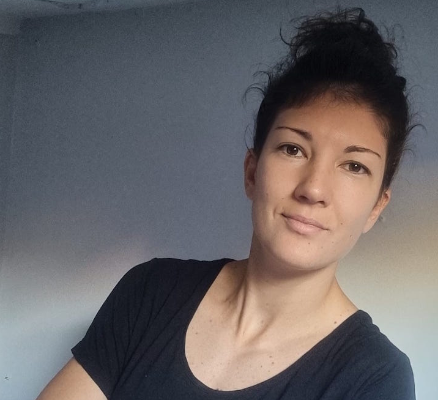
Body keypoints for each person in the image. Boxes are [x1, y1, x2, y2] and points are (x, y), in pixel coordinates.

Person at [37, 7, 416, 400]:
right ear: (252, 171)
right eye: (293, 149)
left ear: (377, 207)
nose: (314, 188)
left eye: (354, 166)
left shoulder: (374, 377)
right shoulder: (150, 292)